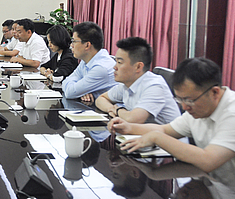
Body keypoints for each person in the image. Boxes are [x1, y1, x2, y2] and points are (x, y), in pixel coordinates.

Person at [108, 58, 235, 186]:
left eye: (189, 100)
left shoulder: (232, 114)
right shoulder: (199, 108)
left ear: (215, 92)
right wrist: (128, 127)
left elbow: (209, 161)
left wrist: (156, 138)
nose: (185, 107)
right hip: (215, 186)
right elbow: (166, 129)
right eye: (180, 100)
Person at [96, 37, 181, 124]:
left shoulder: (154, 86)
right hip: (141, 135)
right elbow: (100, 99)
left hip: (167, 137)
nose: (114, 67)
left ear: (138, 67)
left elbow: (134, 119)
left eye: (119, 62)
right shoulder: (127, 83)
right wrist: (111, 109)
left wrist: (118, 110)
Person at [62, 21, 115, 102]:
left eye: (74, 41)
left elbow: (70, 92)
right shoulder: (86, 60)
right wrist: (81, 91)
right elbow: (66, 81)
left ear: (87, 45)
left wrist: (78, 90)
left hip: (112, 112)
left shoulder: (101, 68)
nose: (71, 45)